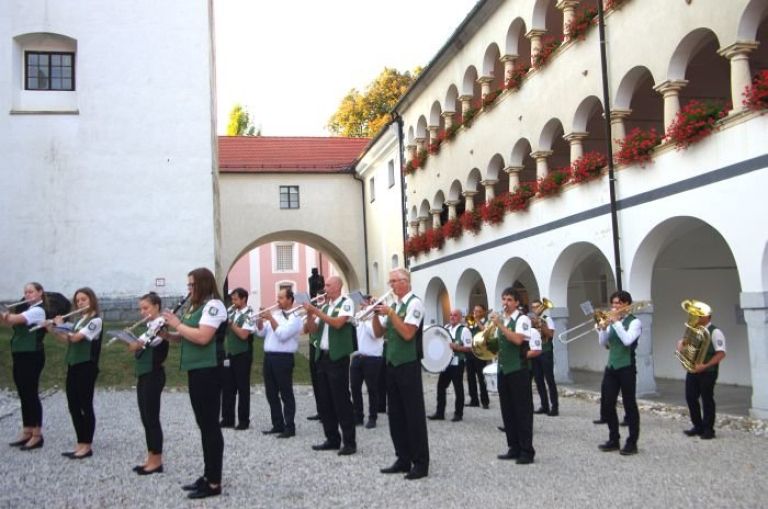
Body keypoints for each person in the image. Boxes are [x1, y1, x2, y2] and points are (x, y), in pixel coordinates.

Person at [163, 268, 227, 499]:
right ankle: (208, 475)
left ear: (203, 284)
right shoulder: (196, 307)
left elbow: (202, 337)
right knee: (203, 424)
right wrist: (166, 334)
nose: (189, 289)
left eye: (192, 285)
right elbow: (186, 336)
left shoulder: (214, 306)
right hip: (197, 370)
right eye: (188, 285)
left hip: (209, 370)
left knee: (210, 425)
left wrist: (176, 323)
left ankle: (214, 482)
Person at [372, 268, 429, 480]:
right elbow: (378, 333)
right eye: (391, 282)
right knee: (395, 414)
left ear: (405, 282)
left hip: (408, 364)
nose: (392, 285)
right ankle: (403, 458)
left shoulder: (414, 303)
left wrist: (390, 313)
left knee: (413, 415)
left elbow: (407, 333)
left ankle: (420, 463)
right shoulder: (395, 306)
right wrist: (374, 315)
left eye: (394, 281)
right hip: (392, 363)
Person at [303, 276, 357, 456]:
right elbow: (312, 330)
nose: (324, 288)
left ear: (337, 287)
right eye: (325, 285)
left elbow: (338, 323)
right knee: (325, 400)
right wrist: (309, 314)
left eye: (328, 285)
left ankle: (349, 442)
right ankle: (332, 438)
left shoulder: (346, 303)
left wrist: (316, 311)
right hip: (322, 357)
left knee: (341, 400)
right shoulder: (325, 307)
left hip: (337, 358)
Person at [49, 287, 103, 460]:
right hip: (73, 365)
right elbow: (67, 339)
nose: (80, 303)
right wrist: (51, 328)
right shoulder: (79, 320)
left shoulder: (96, 321)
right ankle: (80, 442)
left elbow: (76, 338)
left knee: (85, 405)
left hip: (87, 366)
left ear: (91, 300)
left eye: (83, 299)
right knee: (73, 405)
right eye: (78, 300)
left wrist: (60, 326)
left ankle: (87, 445)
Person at [494, 288, 541, 465]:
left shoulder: (522, 319)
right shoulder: (504, 319)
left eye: (509, 300)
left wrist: (499, 325)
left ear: (517, 302)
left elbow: (518, 340)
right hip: (503, 369)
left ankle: (527, 450)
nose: (505, 303)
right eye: (504, 299)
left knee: (522, 411)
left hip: (518, 369)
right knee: (507, 410)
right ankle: (513, 447)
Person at [1, 282, 47, 451]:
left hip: (32, 355)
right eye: (26, 292)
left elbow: (12, 319)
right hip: (20, 354)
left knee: (31, 393)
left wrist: (5, 313)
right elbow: (6, 323)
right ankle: (27, 430)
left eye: (31, 292)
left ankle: (37, 434)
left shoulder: (38, 310)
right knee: (23, 393)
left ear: (40, 293)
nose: (27, 295)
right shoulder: (27, 309)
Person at [126, 292, 168, 475]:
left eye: (146, 308)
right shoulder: (151, 325)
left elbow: (145, 342)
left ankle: (156, 461)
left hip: (154, 373)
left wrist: (134, 342)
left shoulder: (160, 323)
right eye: (141, 309)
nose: (142, 312)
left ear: (156, 306)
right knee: (145, 417)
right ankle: (150, 456)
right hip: (144, 373)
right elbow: (138, 344)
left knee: (151, 418)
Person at [597, 290, 641, 456]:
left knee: (630, 405)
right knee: (607, 404)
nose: (615, 306)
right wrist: (602, 329)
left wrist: (615, 322)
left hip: (627, 367)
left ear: (627, 305)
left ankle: (632, 442)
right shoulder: (612, 321)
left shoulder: (635, 322)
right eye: (614, 303)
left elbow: (627, 340)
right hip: (612, 366)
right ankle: (613, 439)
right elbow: (604, 343)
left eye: (619, 303)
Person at [255, 287, 302, 439]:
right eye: (278, 297)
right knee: (271, 393)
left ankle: (290, 427)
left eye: (281, 298)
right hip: (269, 357)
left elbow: (282, 335)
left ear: (290, 300)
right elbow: (261, 333)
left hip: (283, 358)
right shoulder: (275, 314)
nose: (278, 301)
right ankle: (277, 424)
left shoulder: (295, 317)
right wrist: (259, 320)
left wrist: (270, 318)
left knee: (286, 393)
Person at [677, 310, 726, 440]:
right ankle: (697, 426)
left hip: (708, 372)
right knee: (690, 397)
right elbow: (688, 349)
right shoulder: (694, 331)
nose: (696, 317)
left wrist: (705, 365)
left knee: (707, 399)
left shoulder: (715, 332)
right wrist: (681, 347)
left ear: (707, 316)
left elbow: (721, 353)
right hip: (693, 370)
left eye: (699, 315)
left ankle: (709, 429)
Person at [220, 288, 256, 431]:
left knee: (243, 388)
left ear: (243, 299)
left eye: (235, 299)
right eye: (232, 299)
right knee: (227, 387)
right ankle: (227, 419)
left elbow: (243, 335)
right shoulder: (231, 311)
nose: (233, 302)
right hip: (230, 353)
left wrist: (231, 324)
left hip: (243, 354)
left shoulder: (250, 314)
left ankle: (243, 420)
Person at [428, 309, 471, 422]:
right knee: (441, 387)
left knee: (458, 388)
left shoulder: (464, 330)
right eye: (451, 315)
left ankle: (458, 414)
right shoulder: (446, 328)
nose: (452, 317)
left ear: (460, 317)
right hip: (446, 363)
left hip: (457, 363)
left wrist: (458, 347)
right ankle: (440, 413)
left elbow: (469, 348)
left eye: (455, 315)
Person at [350, 295, 384, 429]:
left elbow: (375, 334)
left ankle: (372, 417)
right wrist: (360, 318)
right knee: (354, 388)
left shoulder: (379, 317)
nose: (362, 305)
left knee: (372, 389)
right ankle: (358, 416)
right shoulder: (358, 316)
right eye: (362, 303)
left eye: (365, 302)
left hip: (373, 358)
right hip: (357, 356)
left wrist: (367, 318)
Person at [530, 299, 559, 416]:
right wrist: (533, 322)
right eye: (533, 307)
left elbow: (550, 335)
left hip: (546, 351)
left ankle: (555, 407)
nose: (536, 309)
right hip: (535, 352)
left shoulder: (547, 319)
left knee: (549, 380)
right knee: (538, 380)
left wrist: (540, 323)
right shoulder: (530, 320)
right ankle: (544, 405)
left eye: (538, 306)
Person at [306, 268, 325, 421]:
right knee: (316, 381)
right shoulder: (316, 310)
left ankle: (329, 412)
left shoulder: (326, 311)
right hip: (313, 346)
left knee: (324, 381)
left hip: (322, 349)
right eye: (318, 298)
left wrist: (316, 311)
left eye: (321, 298)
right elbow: (306, 329)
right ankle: (321, 410)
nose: (319, 300)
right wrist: (309, 314)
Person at [466, 304, 490, 409]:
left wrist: (477, 321)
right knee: (470, 377)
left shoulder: (486, 322)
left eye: (479, 311)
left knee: (481, 378)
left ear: (483, 312)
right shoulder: (471, 321)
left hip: (481, 353)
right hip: (470, 352)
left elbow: (486, 332)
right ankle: (474, 400)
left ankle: (485, 401)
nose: (476, 313)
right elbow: (467, 332)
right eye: (475, 311)